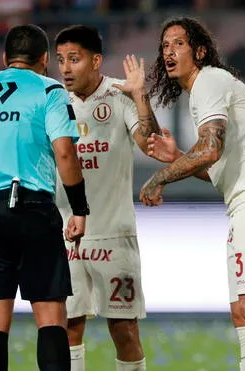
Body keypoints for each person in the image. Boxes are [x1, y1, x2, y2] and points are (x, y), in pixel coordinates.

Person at [0, 23, 89, 371]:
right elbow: (64, 152)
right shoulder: (49, 91)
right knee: (50, 315)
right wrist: (79, 207)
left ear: (4, 58)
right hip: (30, 205)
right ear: (44, 59)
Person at [142, 17, 245, 371]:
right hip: (243, 201)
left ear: (200, 51)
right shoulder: (202, 92)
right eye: (164, 46)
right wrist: (176, 157)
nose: (168, 52)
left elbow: (210, 149)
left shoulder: (210, 81)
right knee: (241, 312)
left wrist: (160, 176)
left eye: (178, 44)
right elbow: (216, 168)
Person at [54, 25, 163, 371]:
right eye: (60, 60)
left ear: (96, 60)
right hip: (66, 235)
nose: (66, 68)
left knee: (124, 329)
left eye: (75, 59)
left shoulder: (120, 94)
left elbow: (151, 142)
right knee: (68, 328)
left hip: (114, 234)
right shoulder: (54, 101)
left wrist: (140, 94)